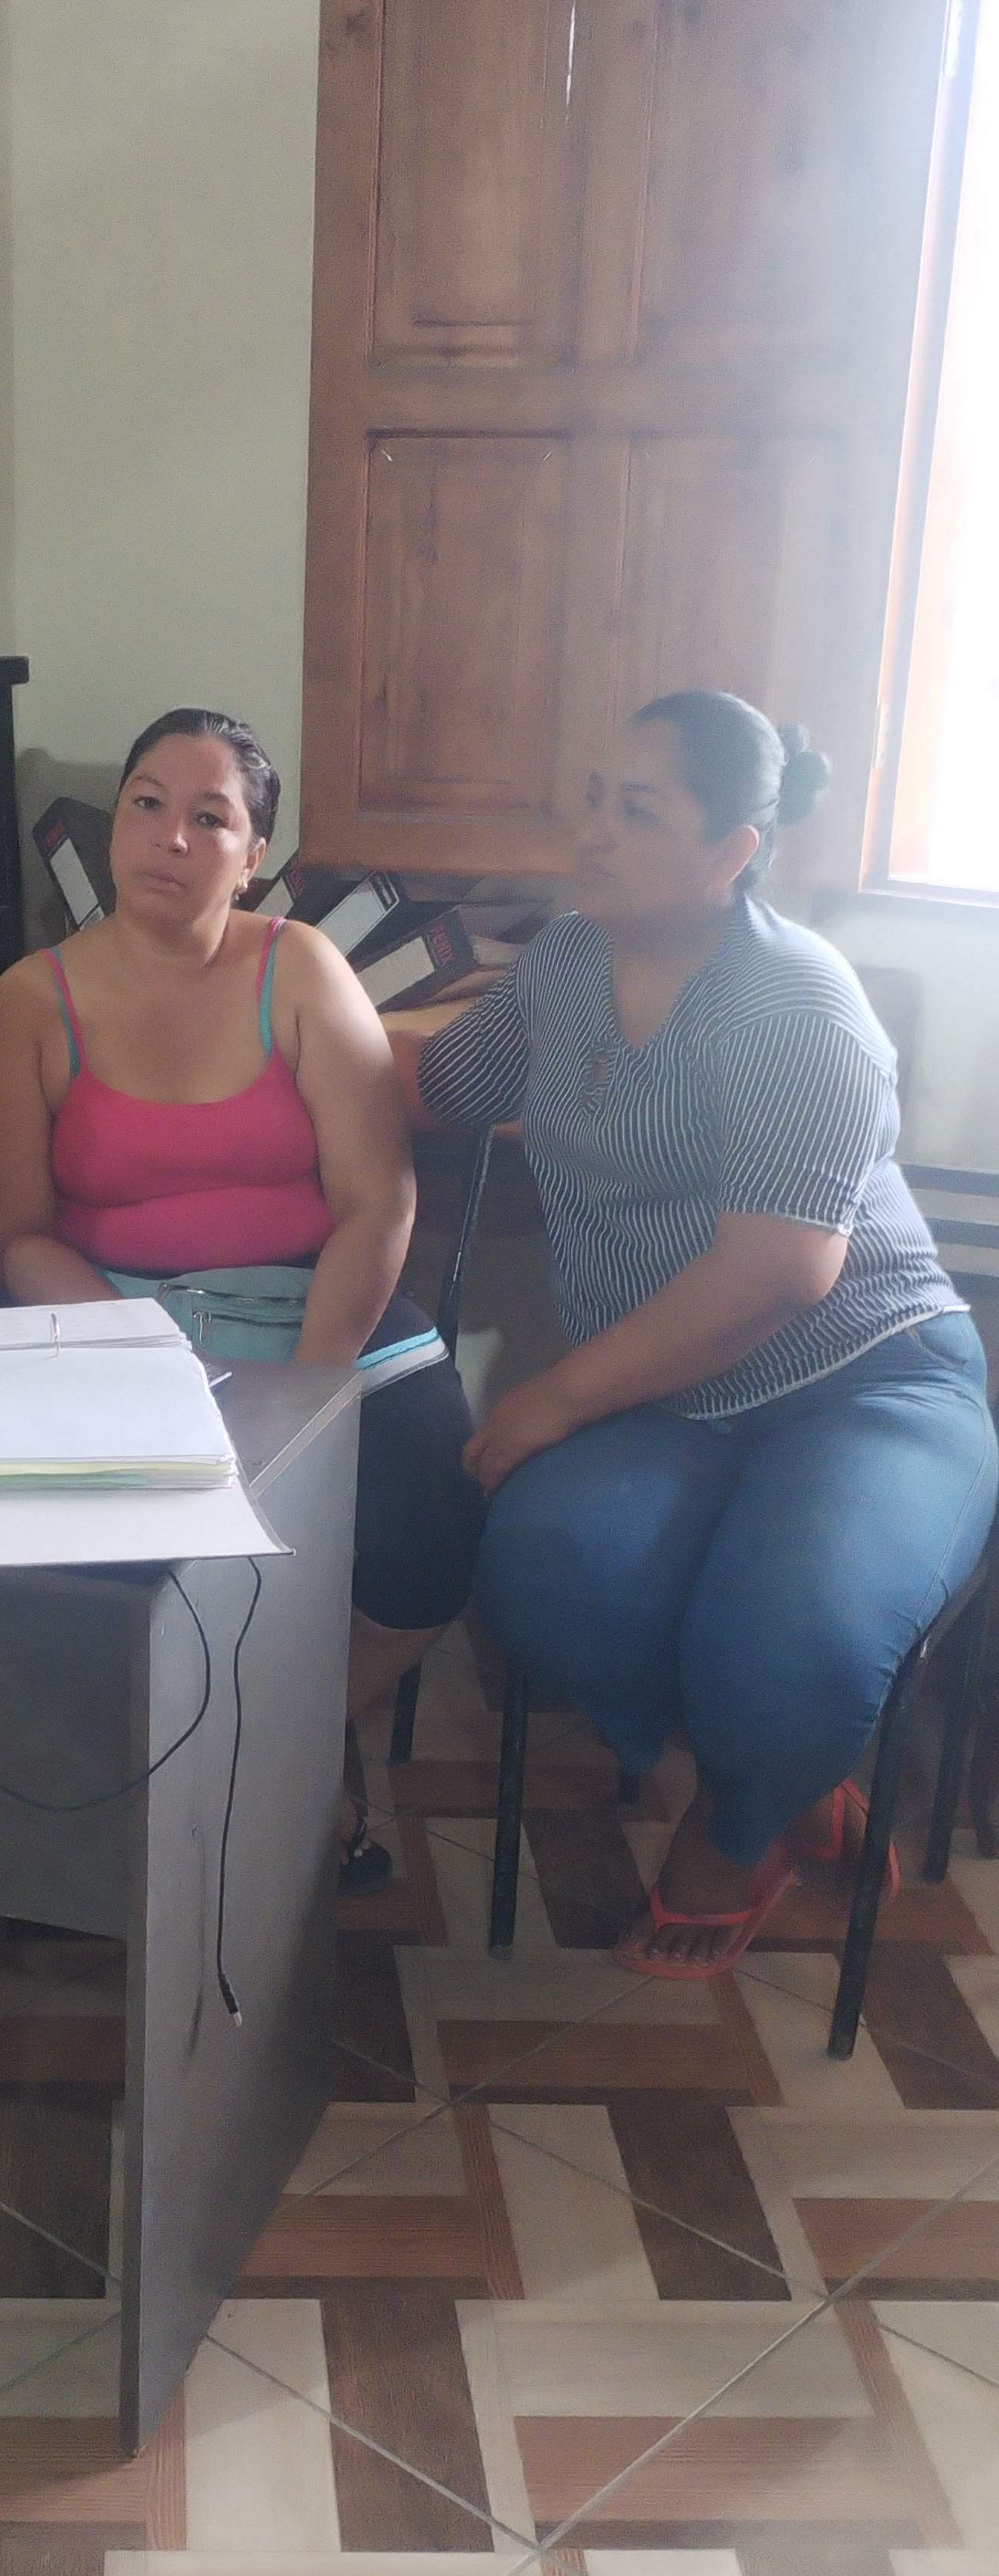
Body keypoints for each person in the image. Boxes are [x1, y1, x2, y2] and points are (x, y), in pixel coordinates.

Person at [389, 687, 997, 1973]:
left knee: (797, 1639)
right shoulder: (564, 963)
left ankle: (741, 1821)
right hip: (670, 1396)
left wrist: (553, 1397)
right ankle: (784, 1769)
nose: (593, 830)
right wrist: (282, 1007)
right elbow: (444, 1084)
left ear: (734, 850)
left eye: (638, 809)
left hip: (866, 1381)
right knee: (542, 1570)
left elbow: (775, 1276)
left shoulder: (797, 1004)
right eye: (594, 797)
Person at [0, 707, 483, 1880]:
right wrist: (147, 1359)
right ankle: (147, 1763)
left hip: (316, 1308)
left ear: (253, 857)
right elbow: (9, 1233)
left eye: (211, 818)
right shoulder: (33, 999)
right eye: (147, 804)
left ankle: (282, 1740)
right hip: (109, 1318)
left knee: (434, 1517)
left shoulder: (300, 968)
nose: (172, 837)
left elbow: (378, 1201)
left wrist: (309, 1387)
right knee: (94, 1549)